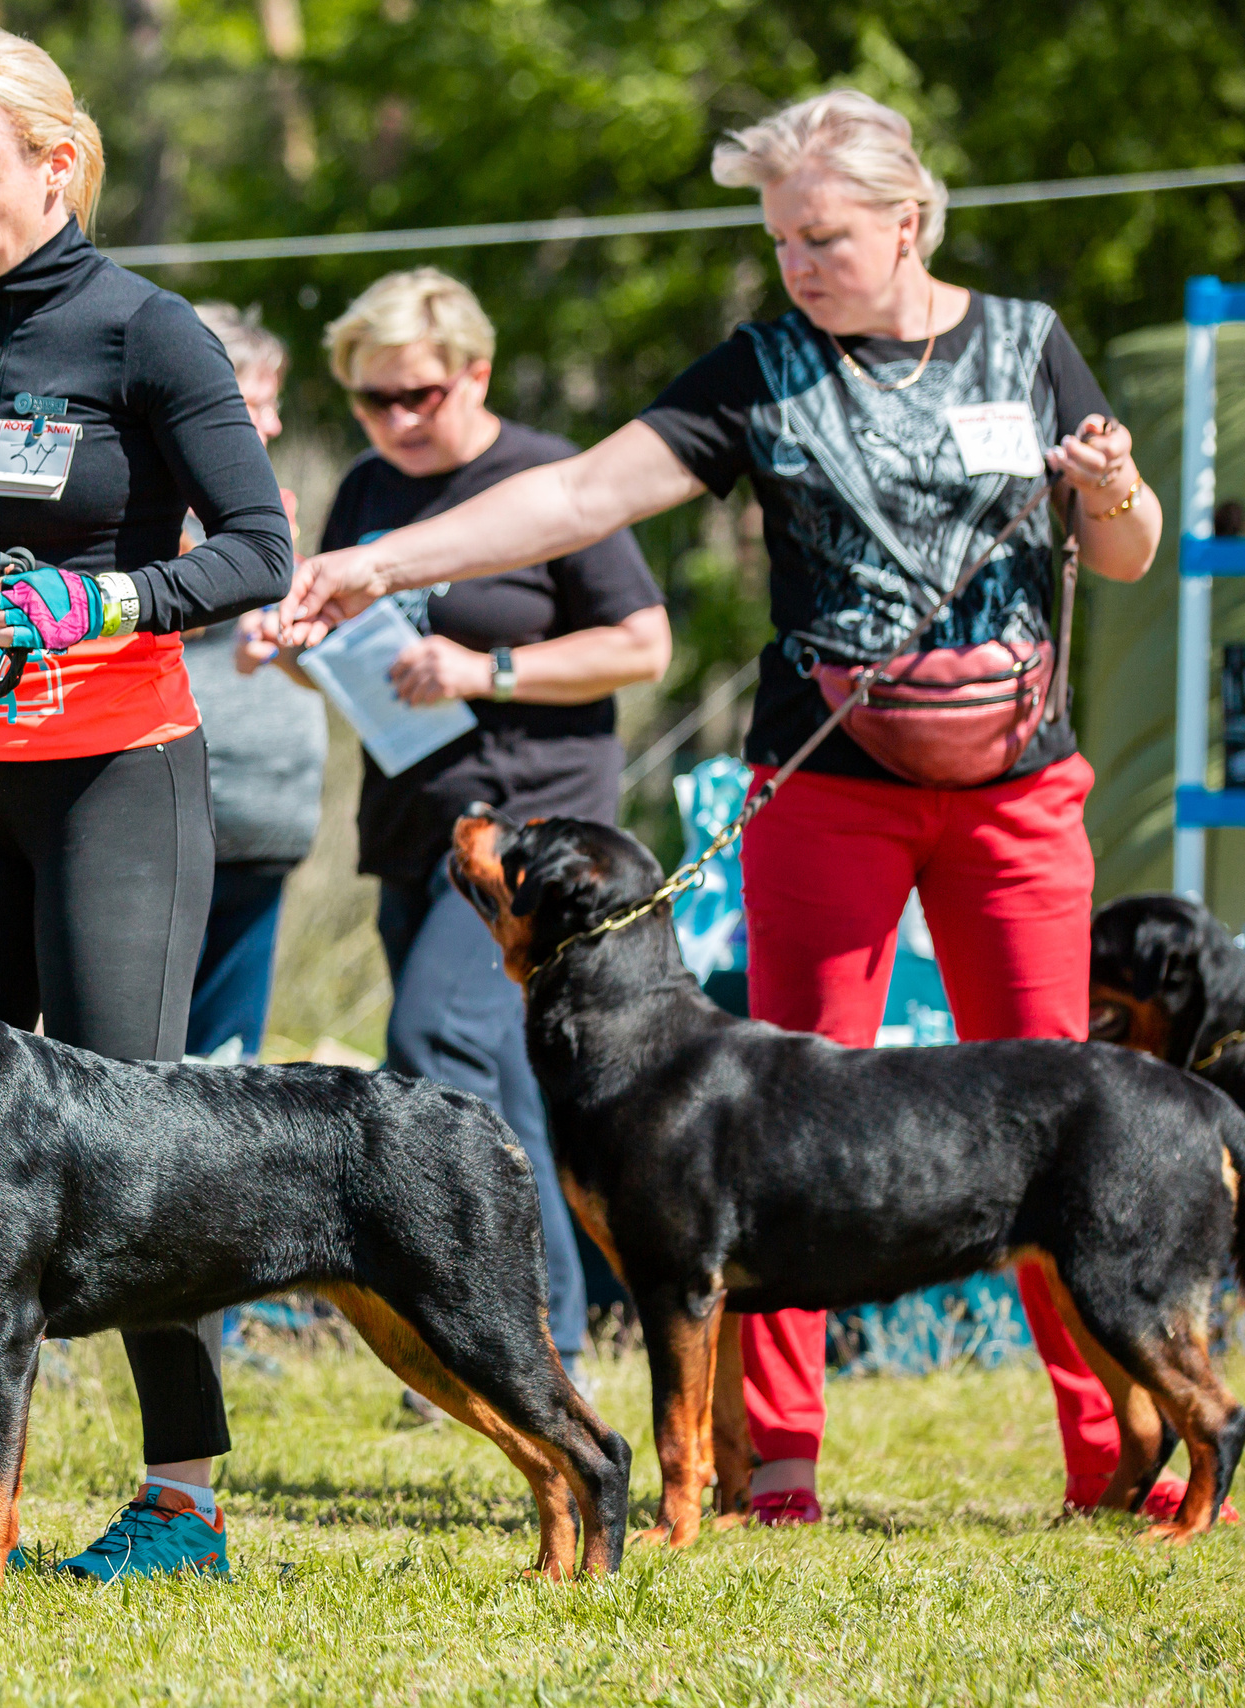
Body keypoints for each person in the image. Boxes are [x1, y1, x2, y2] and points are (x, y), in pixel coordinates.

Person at [283, 91, 1166, 1526]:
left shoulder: (1027, 343)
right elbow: (573, 494)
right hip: (825, 793)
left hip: (1015, 798)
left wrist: (1116, 490)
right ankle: (772, 1470)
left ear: (909, 218)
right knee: (773, 1135)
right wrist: (385, 564)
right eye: (782, 240)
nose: (801, 264)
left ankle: (1108, 1463)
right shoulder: (762, 368)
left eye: (825, 237)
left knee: (1050, 1120)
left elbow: (1120, 559)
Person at [0, 27, 294, 1581]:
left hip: (119, 786)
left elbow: (259, 552)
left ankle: (183, 1501)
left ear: (56, 165)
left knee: (129, 1138)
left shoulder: (152, 335)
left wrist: (115, 604)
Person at [301, 266, 670, 1395]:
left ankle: (518, 1342)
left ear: (476, 372)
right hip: (413, 824)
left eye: (418, 394)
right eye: (373, 401)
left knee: (435, 1055)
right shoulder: (365, 487)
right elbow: (352, 633)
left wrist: (487, 665)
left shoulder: (549, 480)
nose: (398, 420)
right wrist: (294, 646)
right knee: (499, 1095)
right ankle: (532, 1342)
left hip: (532, 841)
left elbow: (642, 645)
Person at [180, 303, 327, 1062]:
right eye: (252, 403)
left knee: (227, 1066)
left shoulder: (273, 504)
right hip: (172, 822)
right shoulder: (146, 494)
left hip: (266, 823)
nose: (269, 426)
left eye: (274, 404)